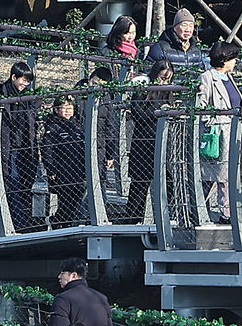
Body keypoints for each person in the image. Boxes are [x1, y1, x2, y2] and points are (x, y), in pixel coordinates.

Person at [0, 61, 41, 232]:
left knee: (17, 186)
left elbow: (32, 121)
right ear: (13, 77)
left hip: (24, 149)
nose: (25, 85)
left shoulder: (29, 98)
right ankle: (19, 227)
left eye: (28, 82)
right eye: (23, 80)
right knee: (10, 186)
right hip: (5, 149)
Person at [195, 40, 242, 224]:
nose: (236, 62)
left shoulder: (229, 78)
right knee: (216, 175)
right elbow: (201, 107)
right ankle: (220, 212)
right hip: (219, 133)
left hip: (234, 131)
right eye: (233, 58)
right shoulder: (207, 77)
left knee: (228, 174)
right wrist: (216, 121)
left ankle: (226, 212)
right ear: (224, 59)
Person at [122, 59, 177, 224]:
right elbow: (138, 114)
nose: (164, 82)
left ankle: (166, 218)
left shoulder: (168, 91)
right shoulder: (143, 87)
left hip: (161, 143)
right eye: (161, 78)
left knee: (167, 181)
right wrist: (160, 111)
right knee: (139, 185)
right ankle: (132, 221)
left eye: (167, 79)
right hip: (143, 143)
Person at [42, 96, 86, 229]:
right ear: (56, 110)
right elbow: (47, 150)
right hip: (62, 172)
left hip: (77, 172)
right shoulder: (53, 128)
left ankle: (64, 224)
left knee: (76, 203)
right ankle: (56, 222)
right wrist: (51, 170)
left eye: (70, 108)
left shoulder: (78, 127)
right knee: (65, 203)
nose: (67, 111)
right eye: (64, 108)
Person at [74, 66, 119, 195]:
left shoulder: (107, 102)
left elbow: (110, 128)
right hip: (77, 144)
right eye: (93, 83)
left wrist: (110, 154)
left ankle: (98, 211)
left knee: (99, 182)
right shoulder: (77, 95)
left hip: (98, 147)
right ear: (89, 79)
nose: (95, 88)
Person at [48, 257, 114, 326]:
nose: (59, 277)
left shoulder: (63, 299)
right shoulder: (102, 298)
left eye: (62, 273)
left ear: (74, 275)